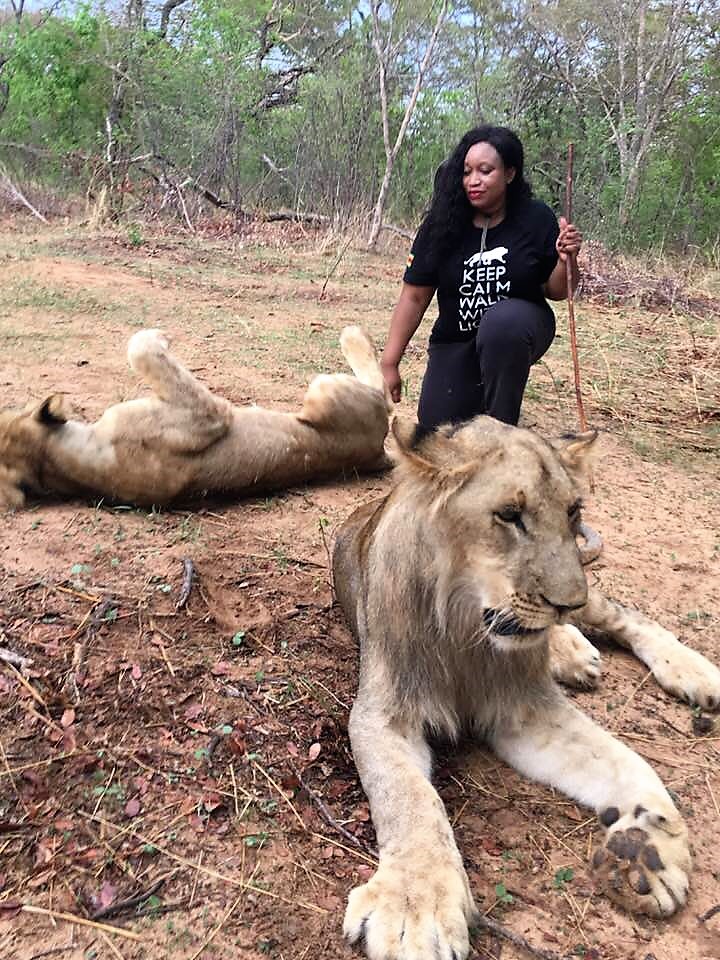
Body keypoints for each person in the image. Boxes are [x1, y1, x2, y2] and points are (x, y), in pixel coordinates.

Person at [381, 125, 583, 431]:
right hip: (456, 339)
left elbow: (555, 290)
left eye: (485, 171)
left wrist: (567, 260)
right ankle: (479, 395)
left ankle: (501, 433)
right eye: (467, 172)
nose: (473, 181)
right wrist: (389, 362)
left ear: (510, 174)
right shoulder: (441, 225)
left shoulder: (535, 218)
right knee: (438, 429)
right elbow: (414, 296)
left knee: (502, 325)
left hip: (518, 328)